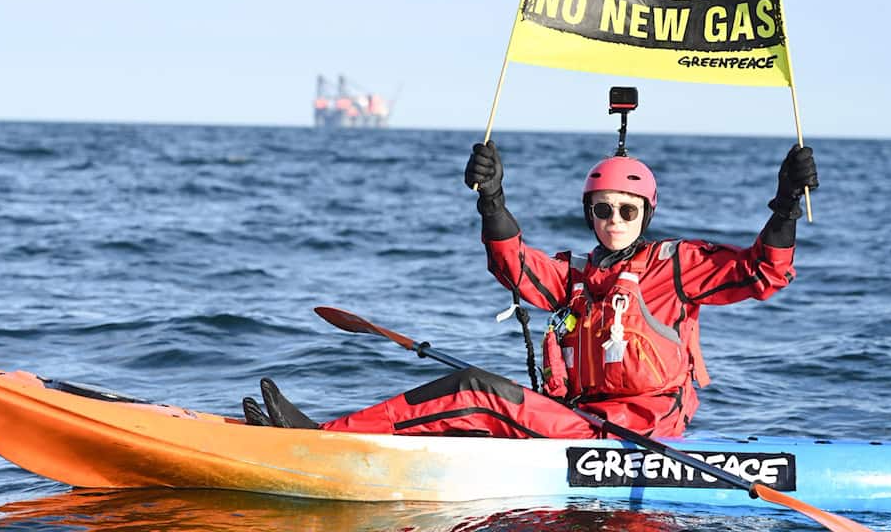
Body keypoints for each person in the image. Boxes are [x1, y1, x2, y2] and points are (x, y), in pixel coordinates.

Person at [244, 141, 819, 438]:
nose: (614, 217)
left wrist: (786, 204)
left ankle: (324, 437)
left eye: (627, 208)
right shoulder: (574, 276)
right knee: (479, 402)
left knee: (478, 391)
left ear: (647, 212)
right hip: (581, 420)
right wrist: (491, 200)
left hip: (641, 433)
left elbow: (763, 272)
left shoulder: (676, 267)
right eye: (602, 209)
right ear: (589, 214)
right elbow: (514, 266)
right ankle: (350, 436)